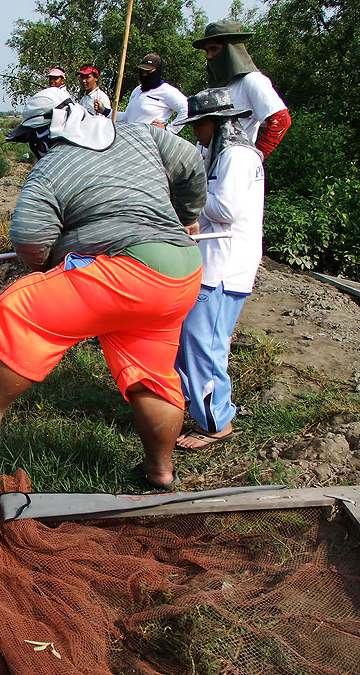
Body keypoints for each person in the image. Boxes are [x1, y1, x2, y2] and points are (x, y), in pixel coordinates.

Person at [0, 89, 207, 491]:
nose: (31, 152)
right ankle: (159, 470)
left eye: (30, 143)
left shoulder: (50, 168)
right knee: (152, 375)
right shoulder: (141, 134)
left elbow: (28, 240)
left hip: (131, 274)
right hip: (181, 272)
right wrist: (188, 216)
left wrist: (50, 268)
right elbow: (191, 161)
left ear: (45, 136)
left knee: (19, 305)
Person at [173, 89, 265, 450]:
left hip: (225, 266)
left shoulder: (237, 157)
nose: (196, 132)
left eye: (200, 125)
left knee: (204, 342)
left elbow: (225, 208)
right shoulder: (222, 153)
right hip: (215, 262)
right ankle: (192, 406)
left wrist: (187, 194)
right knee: (192, 340)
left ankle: (215, 423)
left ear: (217, 122)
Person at [193, 19, 291, 158]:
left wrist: (254, 158)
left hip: (234, 166)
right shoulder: (220, 86)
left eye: (214, 49)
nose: (209, 56)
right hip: (211, 169)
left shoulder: (252, 81)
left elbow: (281, 121)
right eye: (207, 51)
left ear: (231, 49)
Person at [96, 53, 188, 134]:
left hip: (151, 143)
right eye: (142, 71)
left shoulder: (167, 91)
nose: (144, 75)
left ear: (157, 71)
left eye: (148, 72)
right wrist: (104, 110)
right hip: (132, 141)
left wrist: (168, 130)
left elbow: (187, 108)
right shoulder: (137, 90)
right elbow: (127, 116)